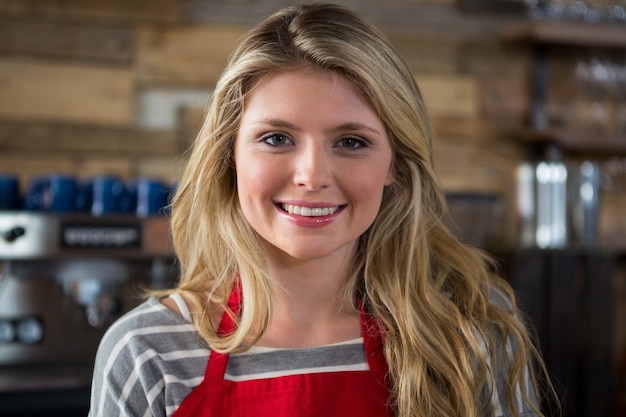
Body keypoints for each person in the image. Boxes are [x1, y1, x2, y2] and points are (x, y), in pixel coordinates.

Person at [89, 3, 556, 417]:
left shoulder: (468, 332)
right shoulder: (147, 352)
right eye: (276, 138)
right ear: (230, 155)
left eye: (351, 142)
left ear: (394, 164)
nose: (312, 176)